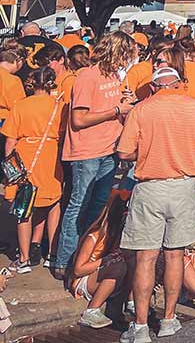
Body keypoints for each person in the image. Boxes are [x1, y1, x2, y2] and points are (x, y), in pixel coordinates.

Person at [116, 65, 195, 343]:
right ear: (178, 85)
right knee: (175, 255)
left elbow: (124, 151)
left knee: (145, 257)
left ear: (153, 87)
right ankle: (169, 319)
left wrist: (150, 147)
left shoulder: (142, 110)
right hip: (184, 185)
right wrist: (183, 147)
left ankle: (139, 326)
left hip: (150, 187)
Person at [53, 32, 137, 278]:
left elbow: (117, 109)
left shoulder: (116, 77)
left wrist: (127, 104)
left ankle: (82, 255)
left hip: (110, 149)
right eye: (127, 55)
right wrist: (116, 109)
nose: (128, 62)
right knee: (78, 203)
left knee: (99, 205)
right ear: (117, 52)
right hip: (87, 151)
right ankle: (64, 261)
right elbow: (78, 119)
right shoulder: (87, 77)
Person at [3, 65, 65, 272]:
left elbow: (10, 141)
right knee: (53, 203)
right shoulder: (60, 106)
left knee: (24, 208)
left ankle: (24, 258)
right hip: (51, 155)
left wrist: (10, 167)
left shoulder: (21, 106)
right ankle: (52, 254)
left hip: (24, 156)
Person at [71, 192, 131, 329]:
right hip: (84, 280)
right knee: (119, 266)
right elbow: (78, 270)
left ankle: (129, 305)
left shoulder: (118, 235)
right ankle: (91, 310)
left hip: (105, 277)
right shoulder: (94, 236)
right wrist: (105, 261)